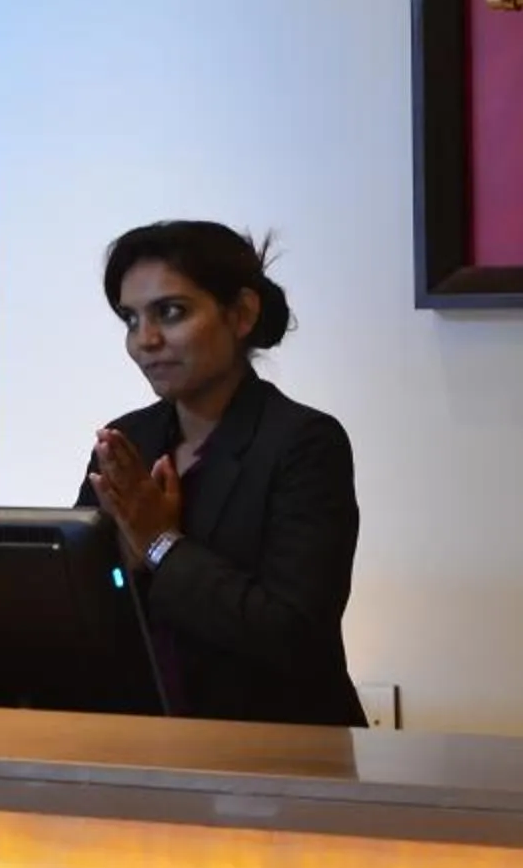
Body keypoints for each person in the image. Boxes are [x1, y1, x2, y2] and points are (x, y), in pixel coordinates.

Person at [81, 220, 363, 726]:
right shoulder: (127, 443)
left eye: (171, 312)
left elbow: (291, 633)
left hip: (282, 752)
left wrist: (159, 543)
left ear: (241, 314)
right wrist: (118, 561)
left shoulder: (304, 443)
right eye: (130, 319)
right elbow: (82, 613)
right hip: (140, 745)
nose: (145, 340)